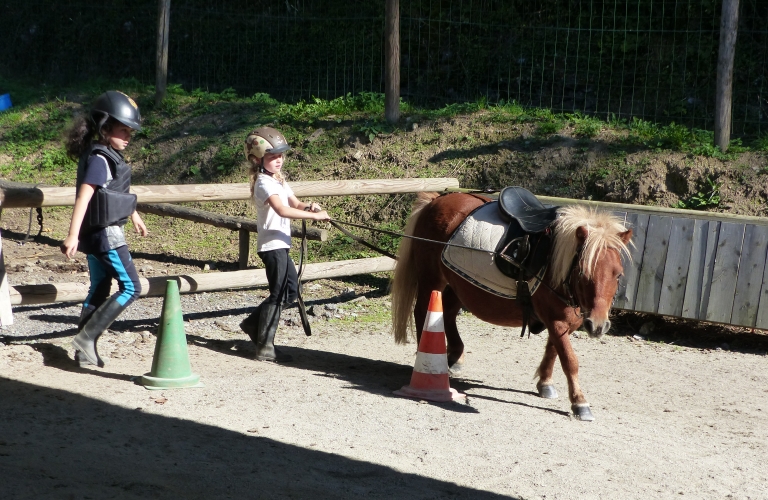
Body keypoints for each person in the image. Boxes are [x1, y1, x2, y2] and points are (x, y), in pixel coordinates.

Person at [61, 90, 148, 367]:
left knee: (100, 285)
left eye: (130, 132)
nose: (127, 137)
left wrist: (133, 214)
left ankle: (82, 351)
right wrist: (72, 234)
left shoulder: (105, 155)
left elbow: (111, 193)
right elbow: (85, 195)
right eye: (123, 131)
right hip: (106, 234)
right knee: (132, 287)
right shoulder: (101, 158)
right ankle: (87, 338)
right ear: (104, 127)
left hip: (97, 233)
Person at [240, 127, 330, 362]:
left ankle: (252, 324)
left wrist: (309, 207)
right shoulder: (263, 183)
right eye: (272, 157)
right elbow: (281, 209)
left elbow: (294, 203)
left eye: (280, 156)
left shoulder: (277, 180)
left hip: (281, 244)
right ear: (257, 159)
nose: (278, 160)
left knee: (291, 291)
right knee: (278, 292)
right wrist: (314, 218)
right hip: (272, 245)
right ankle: (265, 346)